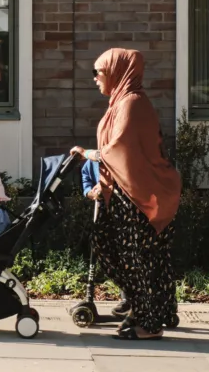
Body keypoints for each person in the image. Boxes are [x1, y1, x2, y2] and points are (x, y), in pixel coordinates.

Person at [71, 47, 181, 341]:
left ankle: (149, 323)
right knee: (121, 249)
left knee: (136, 258)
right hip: (126, 193)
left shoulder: (131, 103)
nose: (94, 78)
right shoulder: (121, 103)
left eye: (98, 72)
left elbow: (121, 149)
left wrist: (88, 154)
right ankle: (151, 309)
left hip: (138, 198)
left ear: (117, 72)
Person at [81, 155, 130, 320]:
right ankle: (129, 297)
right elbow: (86, 179)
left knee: (126, 254)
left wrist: (107, 186)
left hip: (124, 210)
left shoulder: (119, 156)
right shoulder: (92, 161)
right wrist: (90, 192)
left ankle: (128, 299)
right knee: (106, 253)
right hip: (103, 210)